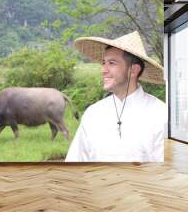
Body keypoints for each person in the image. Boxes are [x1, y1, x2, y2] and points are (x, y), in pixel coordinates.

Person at [65, 31, 167, 162]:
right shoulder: (93, 114)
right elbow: (74, 165)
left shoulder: (160, 115)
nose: (103, 70)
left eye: (112, 63)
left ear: (133, 70)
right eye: (104, 63)